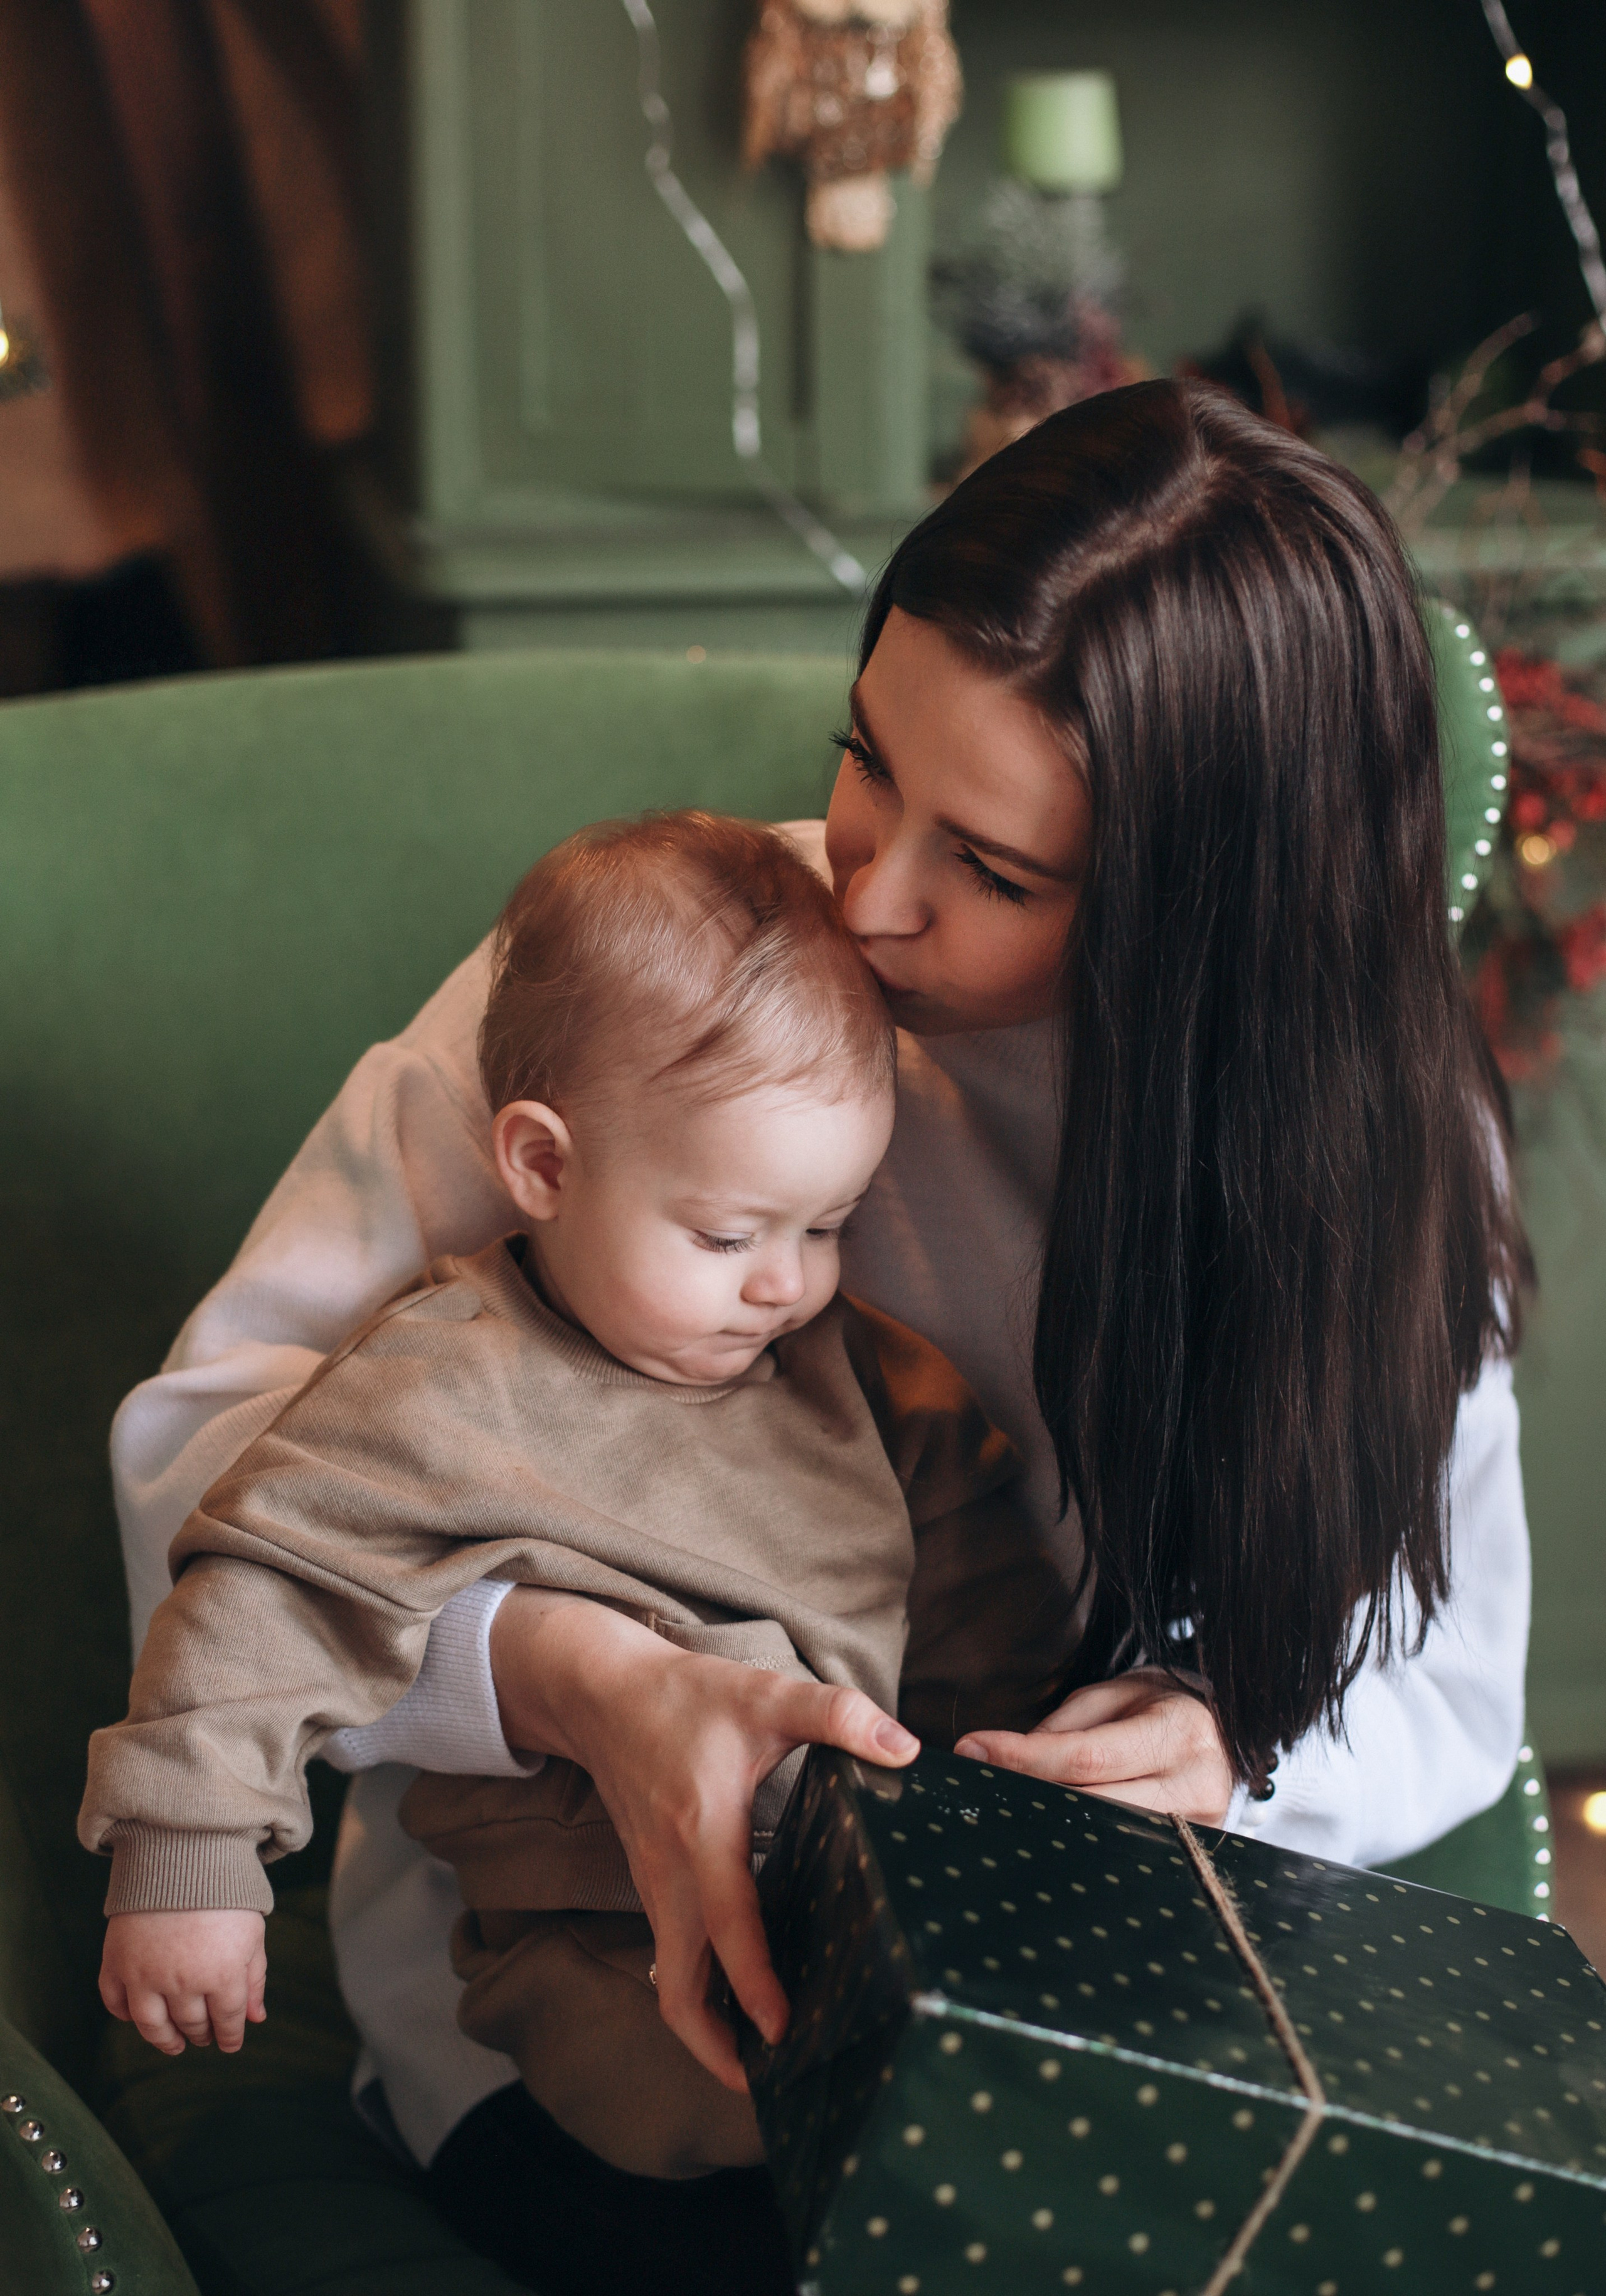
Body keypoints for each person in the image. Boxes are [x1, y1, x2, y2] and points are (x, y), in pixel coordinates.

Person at [109, 381, 1530, 2289]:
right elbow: (207, 1468)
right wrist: (569, 1680)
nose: (868, 896)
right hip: (566, 2008)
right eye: (868, 762)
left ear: (1205, 910)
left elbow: (1443, 1687)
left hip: (1063, 2026)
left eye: (1000, 870)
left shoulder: (1384, 1164)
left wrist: (1225, 1746)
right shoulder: (677, 987)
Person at [87, 813, 1073, 2292]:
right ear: (546, 1166)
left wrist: (1006, 1792)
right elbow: (262, 1587)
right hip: (585, 1930)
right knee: (690, 2138)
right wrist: (191, 1859)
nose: (783, 1283)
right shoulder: (443, 1381)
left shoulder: (861, 1384)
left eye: (827, 1224)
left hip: (853, 1888)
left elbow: (982, 1594)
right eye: (730, 1230)